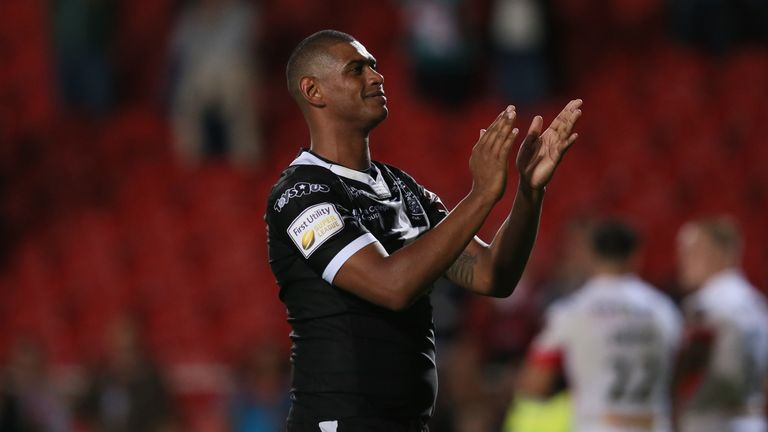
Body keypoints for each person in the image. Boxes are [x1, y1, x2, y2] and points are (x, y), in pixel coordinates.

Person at [265, 29, 582, 431]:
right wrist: (481, 195)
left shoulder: (403, 188)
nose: (377, 78)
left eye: (375, 67)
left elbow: (491, 275)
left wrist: (529, 192)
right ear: (314, 91)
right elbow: (392, 286)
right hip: (341, 422)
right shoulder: (301, 194)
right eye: (357, 69)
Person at [516, 220, 682, 432]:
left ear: (591, 255)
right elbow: (680, 375)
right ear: (636, 256)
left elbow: (535, 384)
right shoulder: (663, 310)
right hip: (653, 425)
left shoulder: (572, 311)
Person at [675, 217, 768, 432]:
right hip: (752, 419)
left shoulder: (705, 304)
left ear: (717, 252)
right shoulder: (757, 302)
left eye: (692, 251)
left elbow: (688, 375)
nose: (683, 260)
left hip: (711, 421)